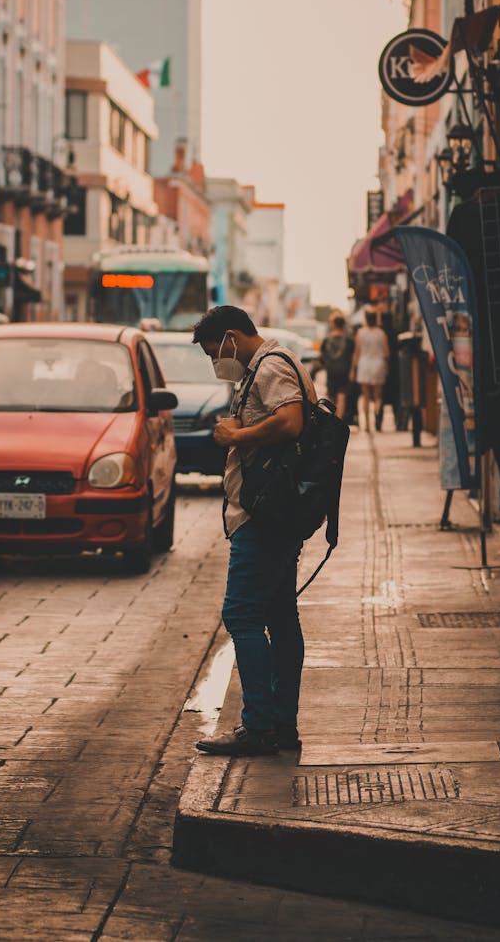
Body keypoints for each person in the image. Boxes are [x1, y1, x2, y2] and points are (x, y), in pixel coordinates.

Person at [192, 304, 315, 757]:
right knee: (281, 616)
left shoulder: (270, 365)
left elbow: (291, 421)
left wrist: (235, 437)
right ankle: (282, 723)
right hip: (276, 514)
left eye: (213, 352)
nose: (215, 361)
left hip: (264, 516)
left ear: (231, 337)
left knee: (242, 616)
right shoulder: (269, 365)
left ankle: (259, 725)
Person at [350, 308, 389, 432]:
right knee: (378, 396)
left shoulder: (360, 333)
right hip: (378, 364)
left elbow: (356, 352)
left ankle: (367, 424)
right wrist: (387, 366)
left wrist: (353, 369)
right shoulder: (381, 333)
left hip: (364, 364)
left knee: (365, 396)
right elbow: (387, 353)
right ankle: (377, 412)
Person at [320, 313, 354, 418]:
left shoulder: (326, 340)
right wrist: (352, 370)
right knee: (342, 394)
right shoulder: (349, 340)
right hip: (345, 369)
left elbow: (322, 356)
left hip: (331, 370)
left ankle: (334, 418)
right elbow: (353, 356)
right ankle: (340, 419)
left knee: (332, 395)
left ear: (333, 324)